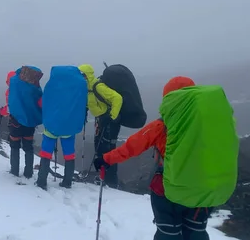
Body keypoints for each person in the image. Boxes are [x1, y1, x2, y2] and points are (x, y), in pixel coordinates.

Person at [93, 76, 235, 240]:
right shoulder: (212, 126)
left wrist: (106, 159)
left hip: (169, 191)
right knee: (196, 232)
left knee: (169, 234)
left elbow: (132, 146)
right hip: (203, 192)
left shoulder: (163, 125)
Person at [78, 64, 123, 188]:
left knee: (107, 149)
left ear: (87, 76)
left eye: (82, 75)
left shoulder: (98, 86)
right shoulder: (87, 88)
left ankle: (111, 181)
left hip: (109, 122)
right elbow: (92, 102)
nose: (79, 78)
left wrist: (112, 116)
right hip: (101, 120)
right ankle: (104, 177)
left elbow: (117, 98)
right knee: (99, 147)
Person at [6, 66, 43, 178]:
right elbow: (40, 103)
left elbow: (11, 103)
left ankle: (14, 170)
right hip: (30, 122)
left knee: (15, 145)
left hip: (15, 121)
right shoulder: (36, 88)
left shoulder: (14, 83)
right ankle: (28, 173)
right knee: (28, 147)